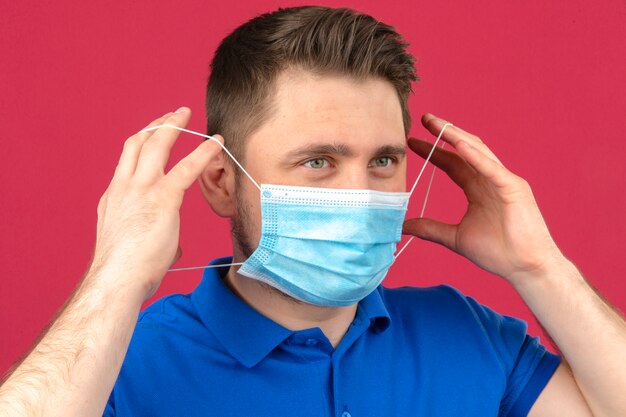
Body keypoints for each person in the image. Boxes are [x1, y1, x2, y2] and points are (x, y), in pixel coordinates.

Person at [0, 5, 624, 417]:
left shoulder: (467, 334)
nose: (360, 193)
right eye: (318, 161)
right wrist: (116, 278)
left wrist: (541, 268)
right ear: (219, 183)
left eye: (382, 161)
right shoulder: (120, 364)